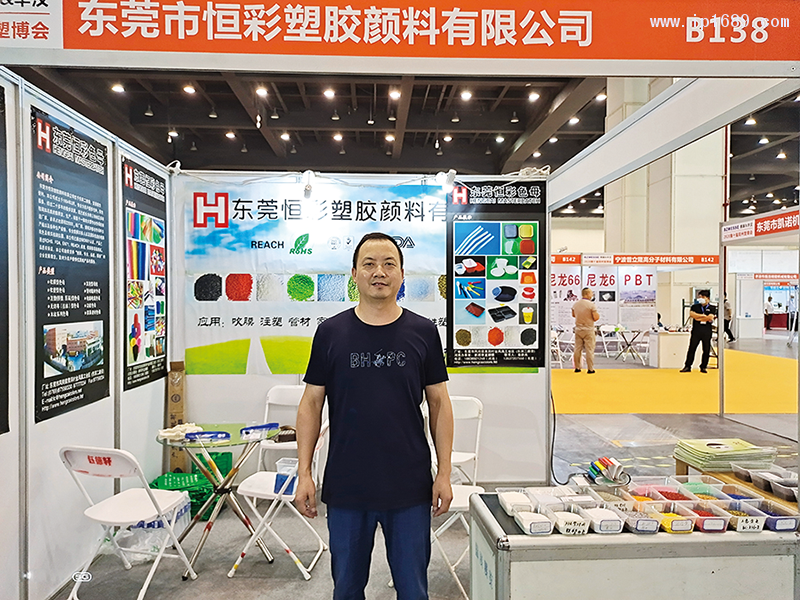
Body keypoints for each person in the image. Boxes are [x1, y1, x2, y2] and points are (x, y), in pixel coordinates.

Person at [294, 232, 454, 600]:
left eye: (388, 264)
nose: (378, 272)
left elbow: (439, 404)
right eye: (368, 264)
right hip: (348, 485)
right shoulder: (330, 332)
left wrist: (444, 473)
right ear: (354, 274)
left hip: (409, 485)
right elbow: (311, 404)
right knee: (347, 589)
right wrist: (304, 473)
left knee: (413, 590)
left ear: (402, 274)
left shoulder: (423, 332)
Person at [681, 290, 716, 373]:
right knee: (692, 349)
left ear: (708, 298)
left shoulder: (712, 308)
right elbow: (692, 315)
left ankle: (703, 366)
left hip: (706, 331)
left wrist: (699, 317)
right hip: (696, 331)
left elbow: (710, 317)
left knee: (706, 350)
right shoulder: (695, 306)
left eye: (703, 297)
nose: (701, 298)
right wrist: (703, 316)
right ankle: (687, 366)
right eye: (699, 297)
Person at [572, 287, 600, 374]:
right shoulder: (591, 305)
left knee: (577, 349)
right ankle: (590, 368)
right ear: (587, 294)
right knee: (589, 350)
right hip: (588, 329)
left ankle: (577, 367)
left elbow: (573, 315)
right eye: (591, 293)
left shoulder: (576, 304)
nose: (592, 294)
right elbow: (595, 317)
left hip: (578, 329)